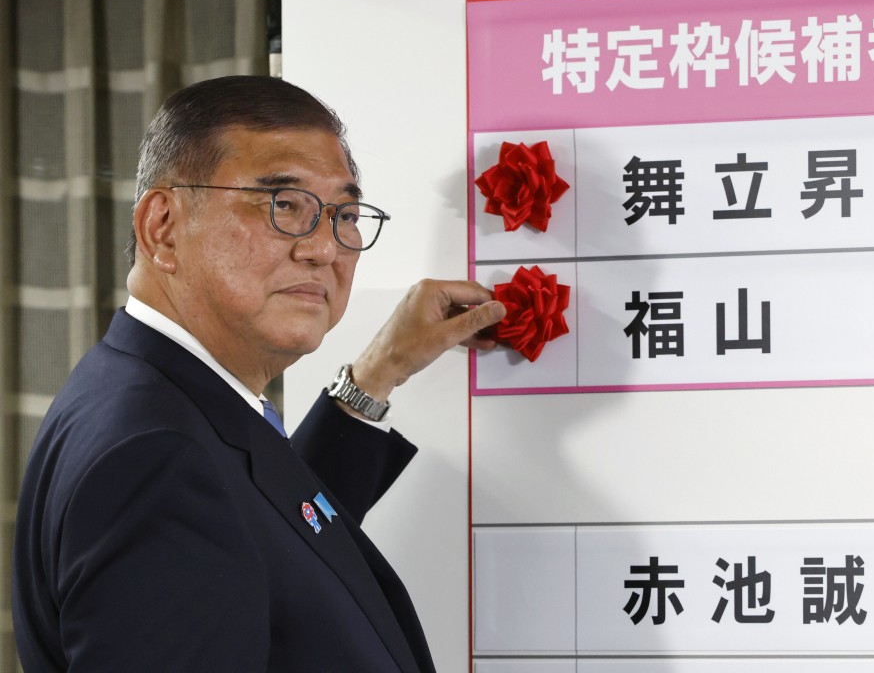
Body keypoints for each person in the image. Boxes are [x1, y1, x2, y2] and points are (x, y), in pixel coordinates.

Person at [12, 75, 506, 672]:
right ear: (162, 227)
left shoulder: (154, 391)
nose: (324, 248)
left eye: (344, 213)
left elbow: (270, 548)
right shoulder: (157, 459)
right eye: (284, 205)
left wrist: (377, 373)